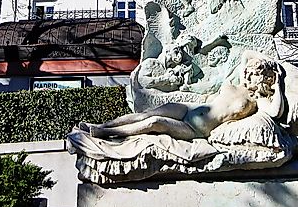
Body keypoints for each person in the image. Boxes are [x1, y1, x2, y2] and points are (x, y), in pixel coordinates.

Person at [80, 53, 284, 141]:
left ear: (266, 80)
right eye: (251, 71)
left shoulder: (259, 101)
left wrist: (279, 84)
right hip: (191, 109)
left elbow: (277, 111)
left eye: (256, 74)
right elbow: (246, 55)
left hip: (198, 128)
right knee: (146, 114)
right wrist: (266, 62)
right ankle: (102, 125)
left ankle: (106, 134)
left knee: (155, 121)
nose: (250, 74)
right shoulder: (239, 82)